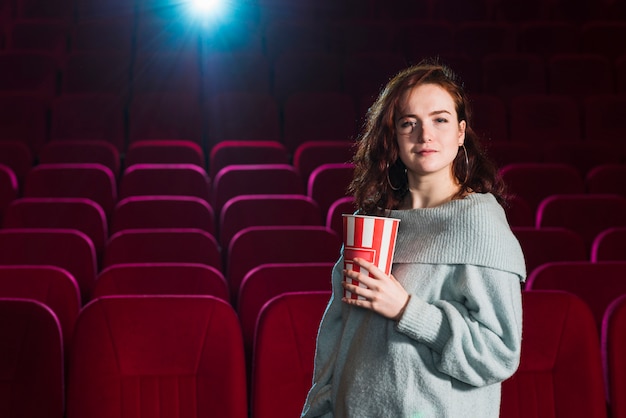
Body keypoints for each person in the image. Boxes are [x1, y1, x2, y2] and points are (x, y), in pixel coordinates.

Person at [300, 59, 526, 418]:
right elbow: (337, 336)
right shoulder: (370, 221)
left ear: (461, 132)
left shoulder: (480, 224)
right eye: (409, 123)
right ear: (394, 135)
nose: (425, 135)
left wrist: (407, 309)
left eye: (440, 119)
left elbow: (499, 353)